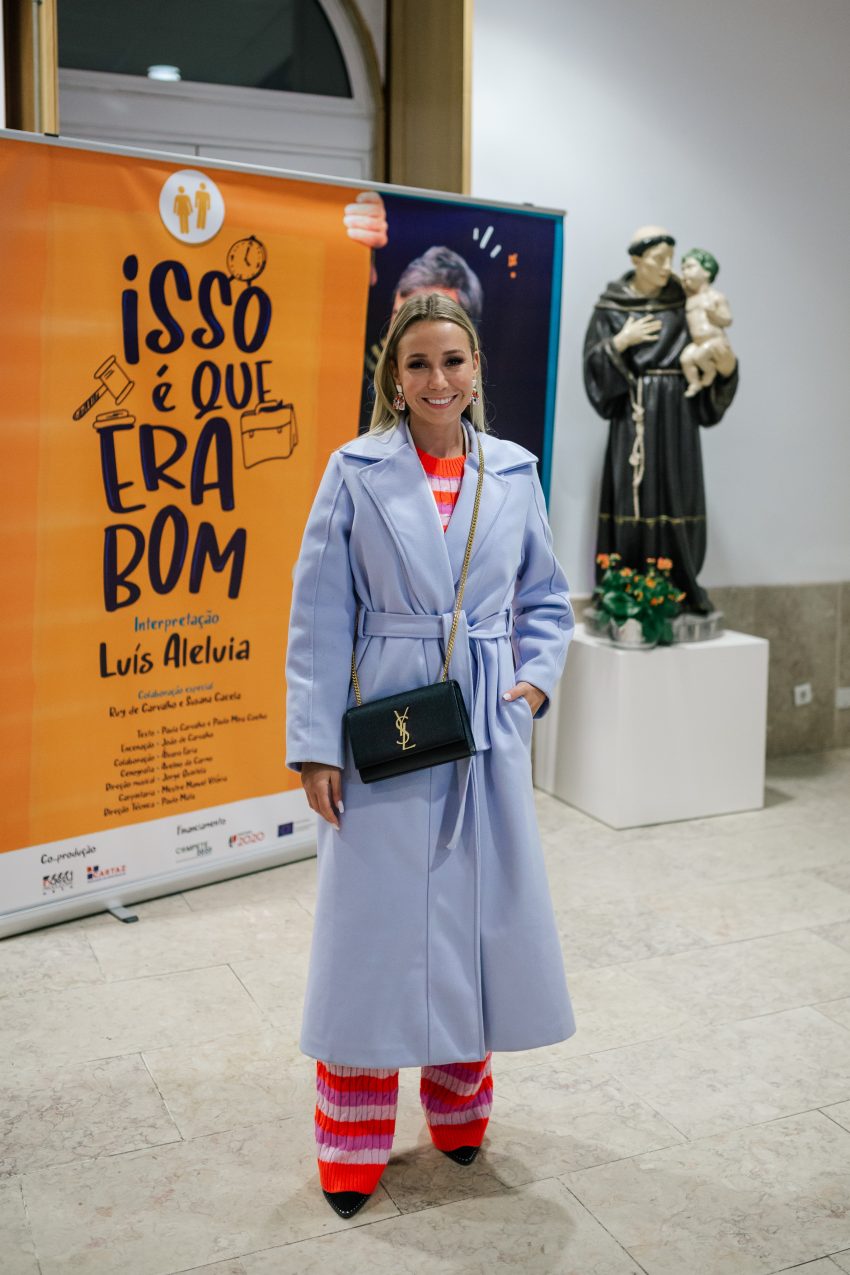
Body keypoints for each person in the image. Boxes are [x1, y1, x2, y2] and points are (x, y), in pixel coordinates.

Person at [285, 292, 576, 1220]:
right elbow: (319, 614)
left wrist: (530, 685)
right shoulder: (354, 470)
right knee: (371, 933)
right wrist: (316, 746)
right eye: (418, 363)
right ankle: (351, 1137)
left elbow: (547, 598)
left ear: (477, 369)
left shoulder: (514, 471)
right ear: (394, 376)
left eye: (453, 360)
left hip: (483, 723)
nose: (437, 378)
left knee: (473, 921)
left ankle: (459, 1109)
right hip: (385, 720)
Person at [583, 225, 738, 614]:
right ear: (637, 260)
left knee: (678, 493)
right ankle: (626, 587)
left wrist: (726, 368)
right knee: (633, 497)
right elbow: (593, 368)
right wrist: (621, 342)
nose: (668, 267)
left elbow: (712, 347)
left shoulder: (685, 301)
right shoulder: (613, 306)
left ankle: (677, 589)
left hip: (677, 416)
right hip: (633, 416)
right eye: (658, 259)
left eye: (671, 258)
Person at [679, 248, 736, 398]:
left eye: (690, 267)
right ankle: (694, 382)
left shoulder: (715, 297)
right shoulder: (689, 299)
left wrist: (714, 315)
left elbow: (728, 319)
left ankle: (709, 371)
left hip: (714, 340)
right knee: (686, 359)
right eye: (683, 269)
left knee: (699, 357)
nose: (685, 272)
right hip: (697, 342)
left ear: (707, 272)